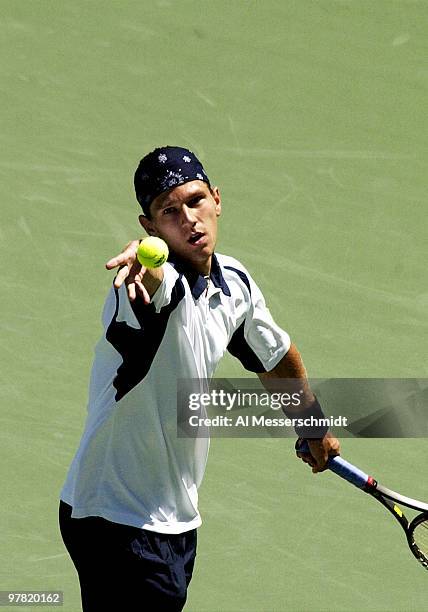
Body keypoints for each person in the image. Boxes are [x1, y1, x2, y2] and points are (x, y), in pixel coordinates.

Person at [59, 146, 340, 611]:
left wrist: (311, 422)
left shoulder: (235, 284)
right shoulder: (149, 286)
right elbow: (152, 288)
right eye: (168, 212)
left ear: (216, 198)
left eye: (195, 201)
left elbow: (275, 356)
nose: (189, 219)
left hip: (172, 519)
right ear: (149, 228)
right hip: (116, 516)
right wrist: (144, 268)